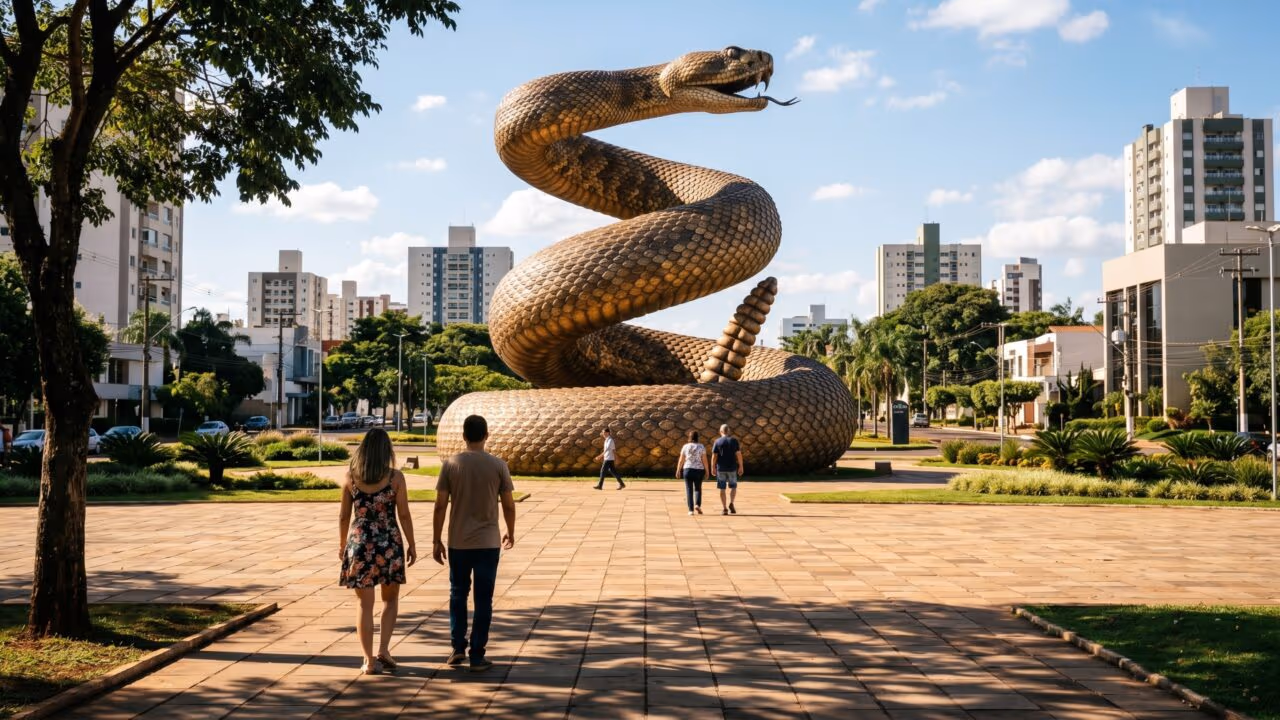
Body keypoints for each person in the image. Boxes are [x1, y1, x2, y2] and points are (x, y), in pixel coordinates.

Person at [434, 414, 517, 672]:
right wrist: (510, 531)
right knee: (484, 599)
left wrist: (436, 540)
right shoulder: (498, 465)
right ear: (486, 435)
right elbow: (509, 504)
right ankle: (477, 654)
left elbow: (440, 506)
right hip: (487, 542)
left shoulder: (451, 464)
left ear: (463, 436)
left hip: (458, 541)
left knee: (457, 594)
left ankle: (457, 647)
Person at [338, 428, 416, 675]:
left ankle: (368, 660)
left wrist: (342, 545)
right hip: (388, 543)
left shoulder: (350, 477)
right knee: (390, 599)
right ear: (386, 451)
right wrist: (412, 543)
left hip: (359, 543)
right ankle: (384, 648)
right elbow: (403, 514)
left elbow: (343, 516)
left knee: (364, 604)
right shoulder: (396, 478)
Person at [711, 423, 744, 515]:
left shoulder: (717, 441)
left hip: (721, 468)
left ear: (720, 431)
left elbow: (714, 456)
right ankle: (732, 503)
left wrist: (712, 467)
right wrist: (741, 466)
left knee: (722, 489)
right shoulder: (734, 441)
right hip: (732, 468)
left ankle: (724, 508)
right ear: (728, 431)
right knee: (733, 487)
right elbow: (738, 454)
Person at [675, 430, 707, 516]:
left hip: (688, 469)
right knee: (698, 488)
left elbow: (681, 459)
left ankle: (690, 510)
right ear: (697, 437)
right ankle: (697, 504)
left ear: (689, 437)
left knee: (689, 490)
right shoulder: (701, 447)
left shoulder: (685, 446)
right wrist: (707, 471)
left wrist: (678, 470)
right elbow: (704, 460)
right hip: (699, 470)